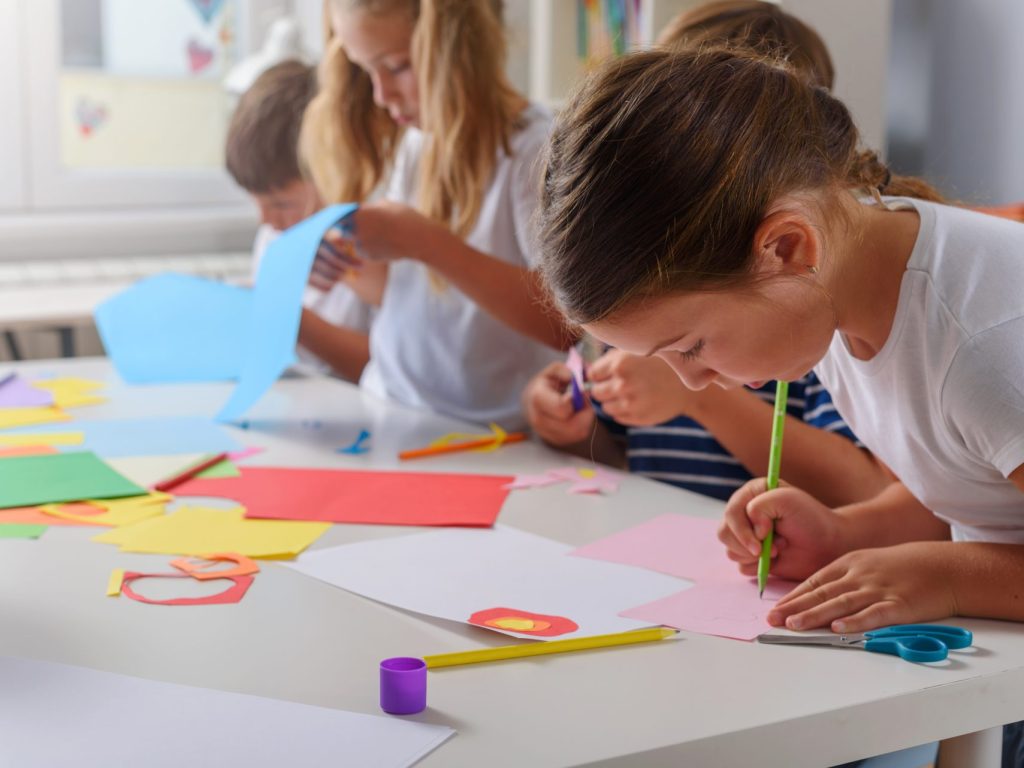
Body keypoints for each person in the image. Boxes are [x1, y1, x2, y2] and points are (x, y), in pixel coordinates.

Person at [537, 45, 1024, 765]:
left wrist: (944, 576)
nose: (694, 382)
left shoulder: (983, 345)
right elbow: (974, 483)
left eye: (692, 346)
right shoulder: (837, 288)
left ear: (786, 247)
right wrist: (846, 532)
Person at [523, 1, 891, 508]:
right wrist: (575, 426)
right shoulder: (652, 287)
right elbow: (620, 458)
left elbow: (871, 493)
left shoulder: (817, 311)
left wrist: (703, 401)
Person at [297, 0, 567, 428]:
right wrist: (348, 262)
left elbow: (563, 323)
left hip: (489, 432)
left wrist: (427, 244)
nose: (381, 95)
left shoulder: (532, 149)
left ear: (457, 50)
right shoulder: (418, 142)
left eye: (397, 66)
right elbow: (417, 300)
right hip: (392, 405)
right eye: (366, 70)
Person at [225, 60, 373, 379]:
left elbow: (386, 368)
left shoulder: (369, 248)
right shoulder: (274, 236)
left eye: (281, 203)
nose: (266, 220)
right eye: (258, 203)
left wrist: (294, 322)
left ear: (333, 172)